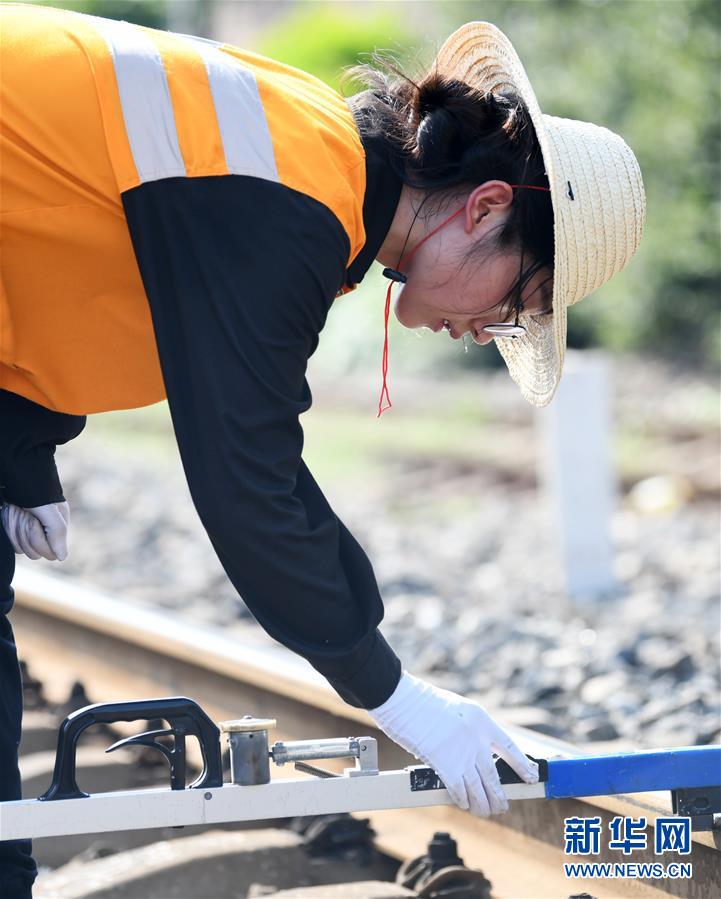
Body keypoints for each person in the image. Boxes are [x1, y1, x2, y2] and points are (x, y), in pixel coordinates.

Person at [0, 6, 646, 895]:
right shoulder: (288, 199)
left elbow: (64, 250)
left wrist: (22, 446)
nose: (487, 331)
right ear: (486, 206)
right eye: (517, 303)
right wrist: (390, 692)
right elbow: (247, 475)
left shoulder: (311, 166)